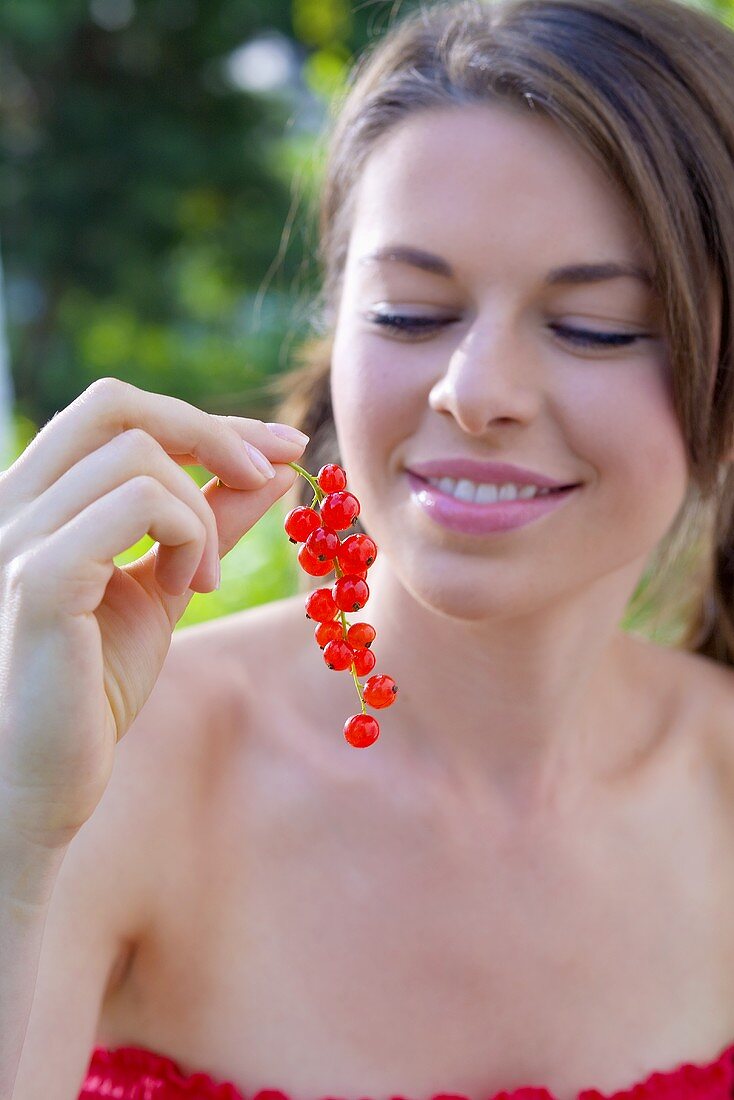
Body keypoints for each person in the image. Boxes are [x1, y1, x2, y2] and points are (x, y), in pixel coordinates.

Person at [3, 0, 734, 1095]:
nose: (474, 390)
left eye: (593, 325)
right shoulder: (116, 767)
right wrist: (17, 843)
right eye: (409, 311)